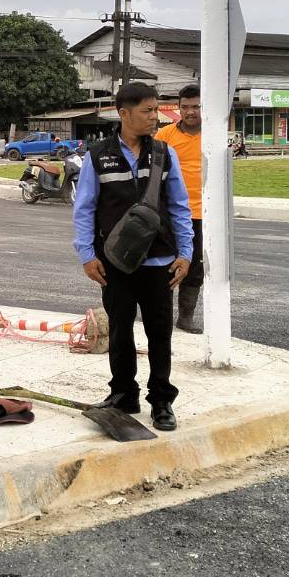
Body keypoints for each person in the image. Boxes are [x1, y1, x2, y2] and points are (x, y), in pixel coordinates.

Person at [73, 81, 193, 431]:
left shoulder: (164, 154)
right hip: (114, 264)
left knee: (160, 334)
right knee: (120, 332)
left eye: (156, 110)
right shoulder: (98, 155)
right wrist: (87, 255)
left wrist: (186, 253)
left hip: (160, 262)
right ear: (124, 114)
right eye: (147, 111)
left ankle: (161, 400)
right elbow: (84, 209)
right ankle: (123, 393)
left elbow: (180, 206)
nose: (155, 117)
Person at [156, 83, 206, 333]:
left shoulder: (213, 134)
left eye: (196, 106)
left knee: (195, 267)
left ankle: (186, 317)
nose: (190, 111)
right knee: (164, 264)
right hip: (170, 212)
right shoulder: (164, 135)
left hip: (202, 213)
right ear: (178, 108)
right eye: (185, 107)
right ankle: (159, 315)